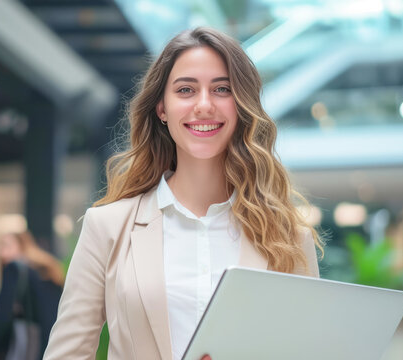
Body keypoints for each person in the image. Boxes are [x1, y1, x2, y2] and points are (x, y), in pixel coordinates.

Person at [44, 27, 323, 360]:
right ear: (162, 108)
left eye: (222, 89)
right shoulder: (107, 227)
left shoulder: (288, 236)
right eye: (186, 90)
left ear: (242, 106)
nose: (204, 105)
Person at [0, 231, 64, 360]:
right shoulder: (48, 271)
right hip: (52, 347)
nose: (0, 252)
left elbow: (1, 318)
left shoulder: (14, 269)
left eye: (6, 246)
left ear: (22, 245)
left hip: (26, 348)